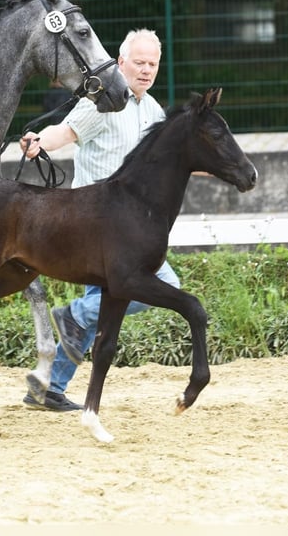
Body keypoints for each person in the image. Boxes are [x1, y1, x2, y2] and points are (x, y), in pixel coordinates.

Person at [19, 28, 180, 411]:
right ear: (121, 61)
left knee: (103, 308)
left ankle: (47, 388)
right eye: (138, 62)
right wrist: (39, 141)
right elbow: (67, 132)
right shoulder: (103, 101)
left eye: (152, 64)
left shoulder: (153, 110)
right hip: (95, 223)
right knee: (162, 285)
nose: (145, 70)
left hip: (131, 230)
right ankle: (71, 320)